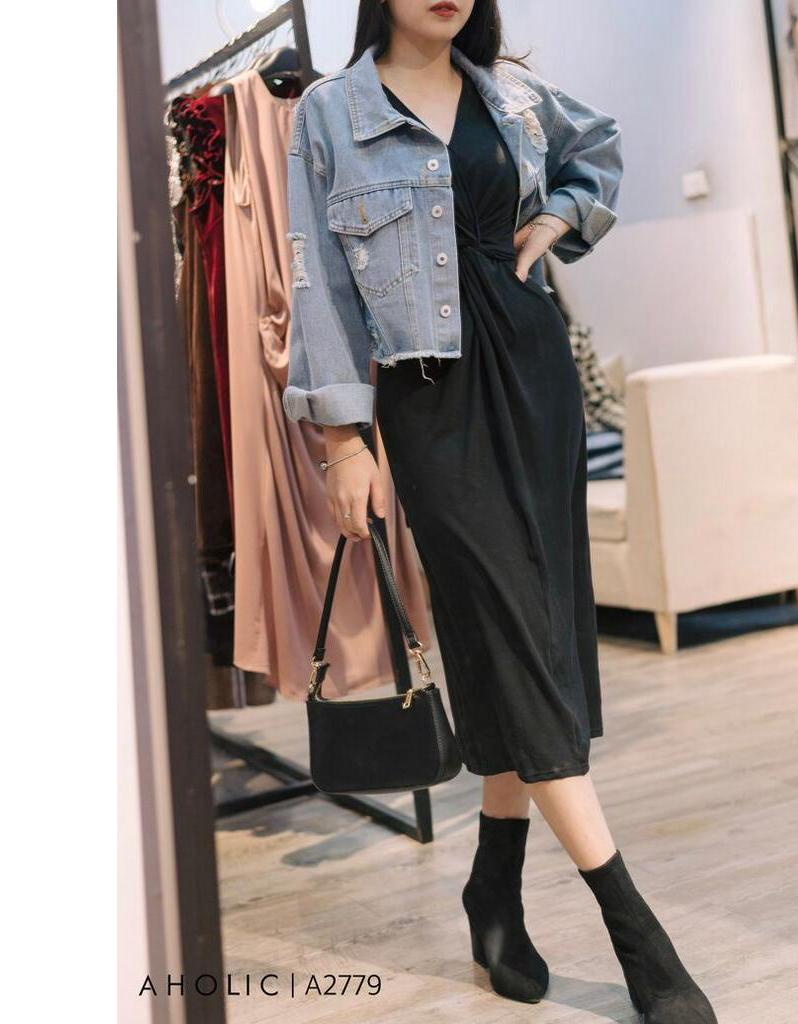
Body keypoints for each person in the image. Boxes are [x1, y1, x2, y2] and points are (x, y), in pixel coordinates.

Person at [283, 2, 716, 1020]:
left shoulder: (510, 92)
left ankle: (495, 887)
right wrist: (343, 441)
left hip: (534, 375)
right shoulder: (329, 112)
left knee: (529, 638)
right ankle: (636, 933)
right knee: (509, 631)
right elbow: (317, 285)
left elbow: (598, 150)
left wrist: (560, 219)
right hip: (430, 402)